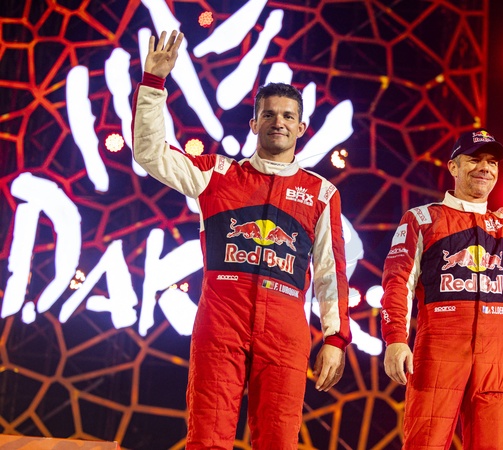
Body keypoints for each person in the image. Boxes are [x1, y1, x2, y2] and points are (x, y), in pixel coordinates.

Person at [132, 30, 351, 449]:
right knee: (207, 438)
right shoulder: (217, 174)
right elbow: (151, 153)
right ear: (254, 124)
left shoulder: (322, 193)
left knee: (278, 440)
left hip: (286, 329)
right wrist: (154, 83)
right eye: (268, 114)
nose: (278, 122)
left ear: (301, 127)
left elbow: (329, 272)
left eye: (288, 116)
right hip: (221, 320)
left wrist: (335, 339)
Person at [380, 71, 503, 449]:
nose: (485, 168)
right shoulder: (423, 219)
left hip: (496, 361)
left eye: (492, 162)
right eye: (474, 159)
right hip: (437, 354)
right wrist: (395, 339)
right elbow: (397, 284)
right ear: (453, 167)